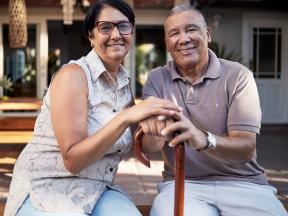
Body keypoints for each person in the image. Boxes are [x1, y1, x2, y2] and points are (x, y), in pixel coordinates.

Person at [4, 1, 182, 216]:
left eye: (123, 26)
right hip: (46, 187)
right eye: (105, 27)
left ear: (131, 32)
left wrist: (158, 124)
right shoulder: (74, 75)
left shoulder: (123, 83)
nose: (116, 34)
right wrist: (125, 117)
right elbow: (73, 160)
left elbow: (145, 144)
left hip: (96, 189)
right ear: (91, 36)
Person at [139, 4, 288, 216]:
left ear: (207, 34)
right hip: (183, 183)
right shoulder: (156, 79)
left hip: (245, 184)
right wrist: (155, 131)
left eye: (191, 29)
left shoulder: (238, 76)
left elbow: (246, 147)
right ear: (167, 45)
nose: (183, 39)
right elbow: (150, 145)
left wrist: (204, 140)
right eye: (174, 33)